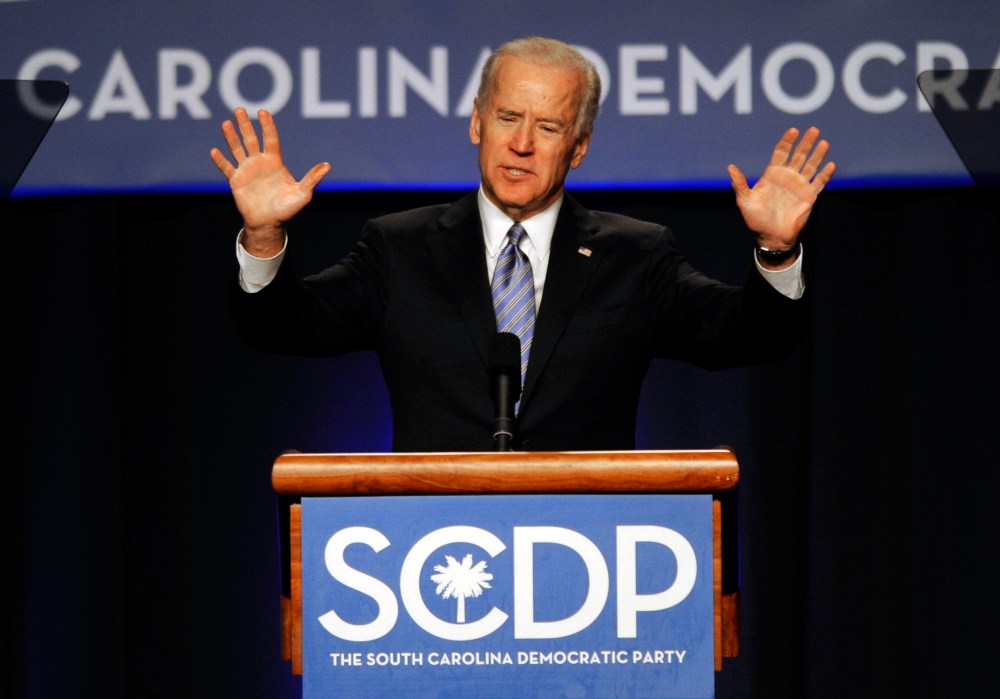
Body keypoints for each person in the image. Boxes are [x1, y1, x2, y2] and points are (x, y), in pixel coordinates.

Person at [213, 36, 835, 452]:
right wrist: (264, 234)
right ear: (477, 121)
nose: (522, 144)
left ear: (580, 145)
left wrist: (777, 252)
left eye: (549, 127)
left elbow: (749, 334)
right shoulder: (398, 248)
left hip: (591, 556)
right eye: (508, 118)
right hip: (431, 557)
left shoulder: (634, 256)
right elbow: (282, 326)